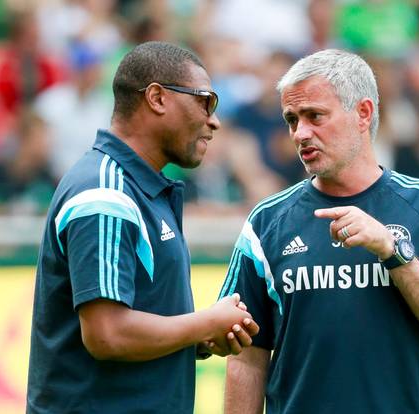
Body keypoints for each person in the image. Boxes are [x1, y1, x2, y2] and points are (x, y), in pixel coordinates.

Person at [219, 49, 419, 414]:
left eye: (315, 116)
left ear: (362, 113)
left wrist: (394, 252)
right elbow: (246, 358)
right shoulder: (266, 221)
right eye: (291, 119)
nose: (300, 133)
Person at [26, 41, 259, 414]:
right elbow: (107, 334)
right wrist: (203, 324)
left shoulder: (139, 188)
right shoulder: (105, 190)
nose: (214, 120)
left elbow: (134, 321)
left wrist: (202, 336)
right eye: (205, 101)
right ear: (157, 98)